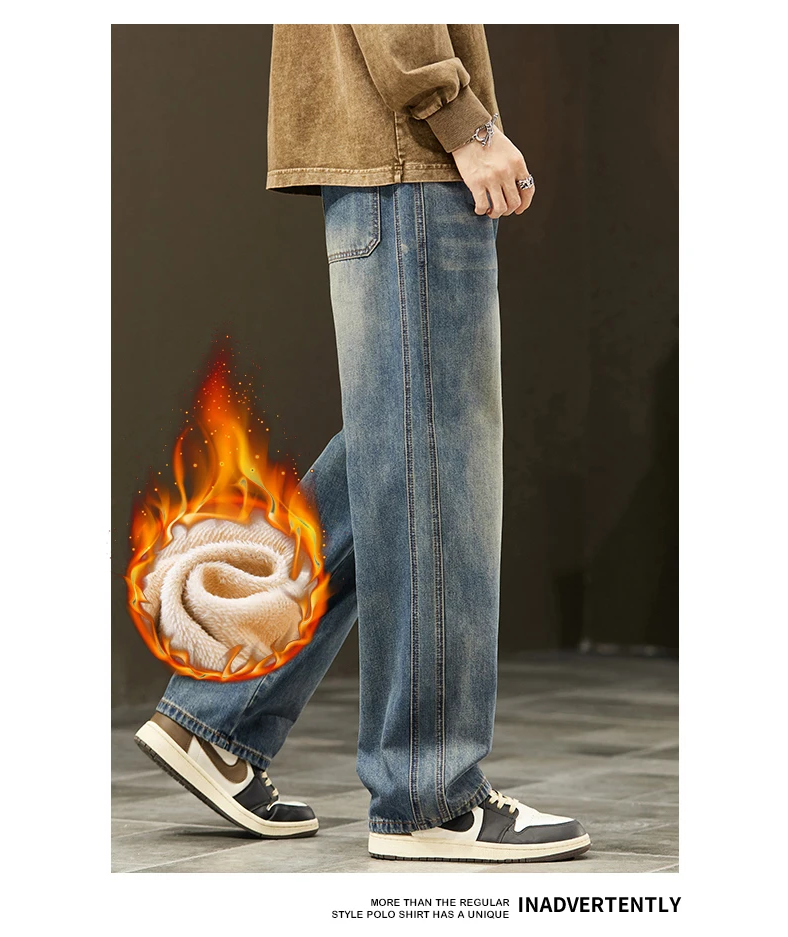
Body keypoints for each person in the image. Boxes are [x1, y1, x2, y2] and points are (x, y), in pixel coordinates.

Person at [134, 23, 591, 864]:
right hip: (410, 155)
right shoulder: (437, 128)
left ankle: (216, 713)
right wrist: (464, 121)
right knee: (437, 457)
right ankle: (429, 792)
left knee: (404, 447)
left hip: (385, 157)